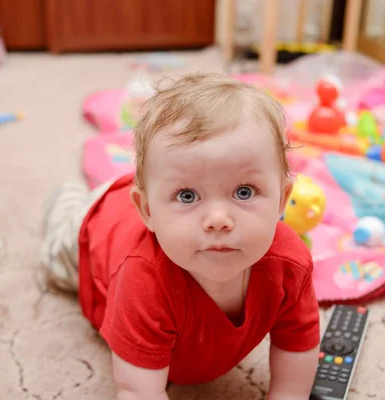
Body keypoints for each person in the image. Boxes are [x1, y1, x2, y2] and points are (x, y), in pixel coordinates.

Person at [41, 72, 320, 399]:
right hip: (93, 228)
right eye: (188, 196)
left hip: (141, 197)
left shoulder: (291, 265)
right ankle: (66, 197)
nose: (218, 220)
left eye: (244, 192)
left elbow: (298, 345)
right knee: (58, 247)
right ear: (146, 210)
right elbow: (136, 390)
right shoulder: (143, 279)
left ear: (282, 200)